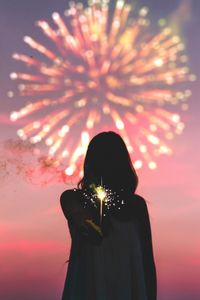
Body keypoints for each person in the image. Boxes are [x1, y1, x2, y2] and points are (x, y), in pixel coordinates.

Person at [60, 131, 157, 300]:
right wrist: (98, 201)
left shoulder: (136, 206)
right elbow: (93, 233)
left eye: (110, 159)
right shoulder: (72, 199)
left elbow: (147, 262)